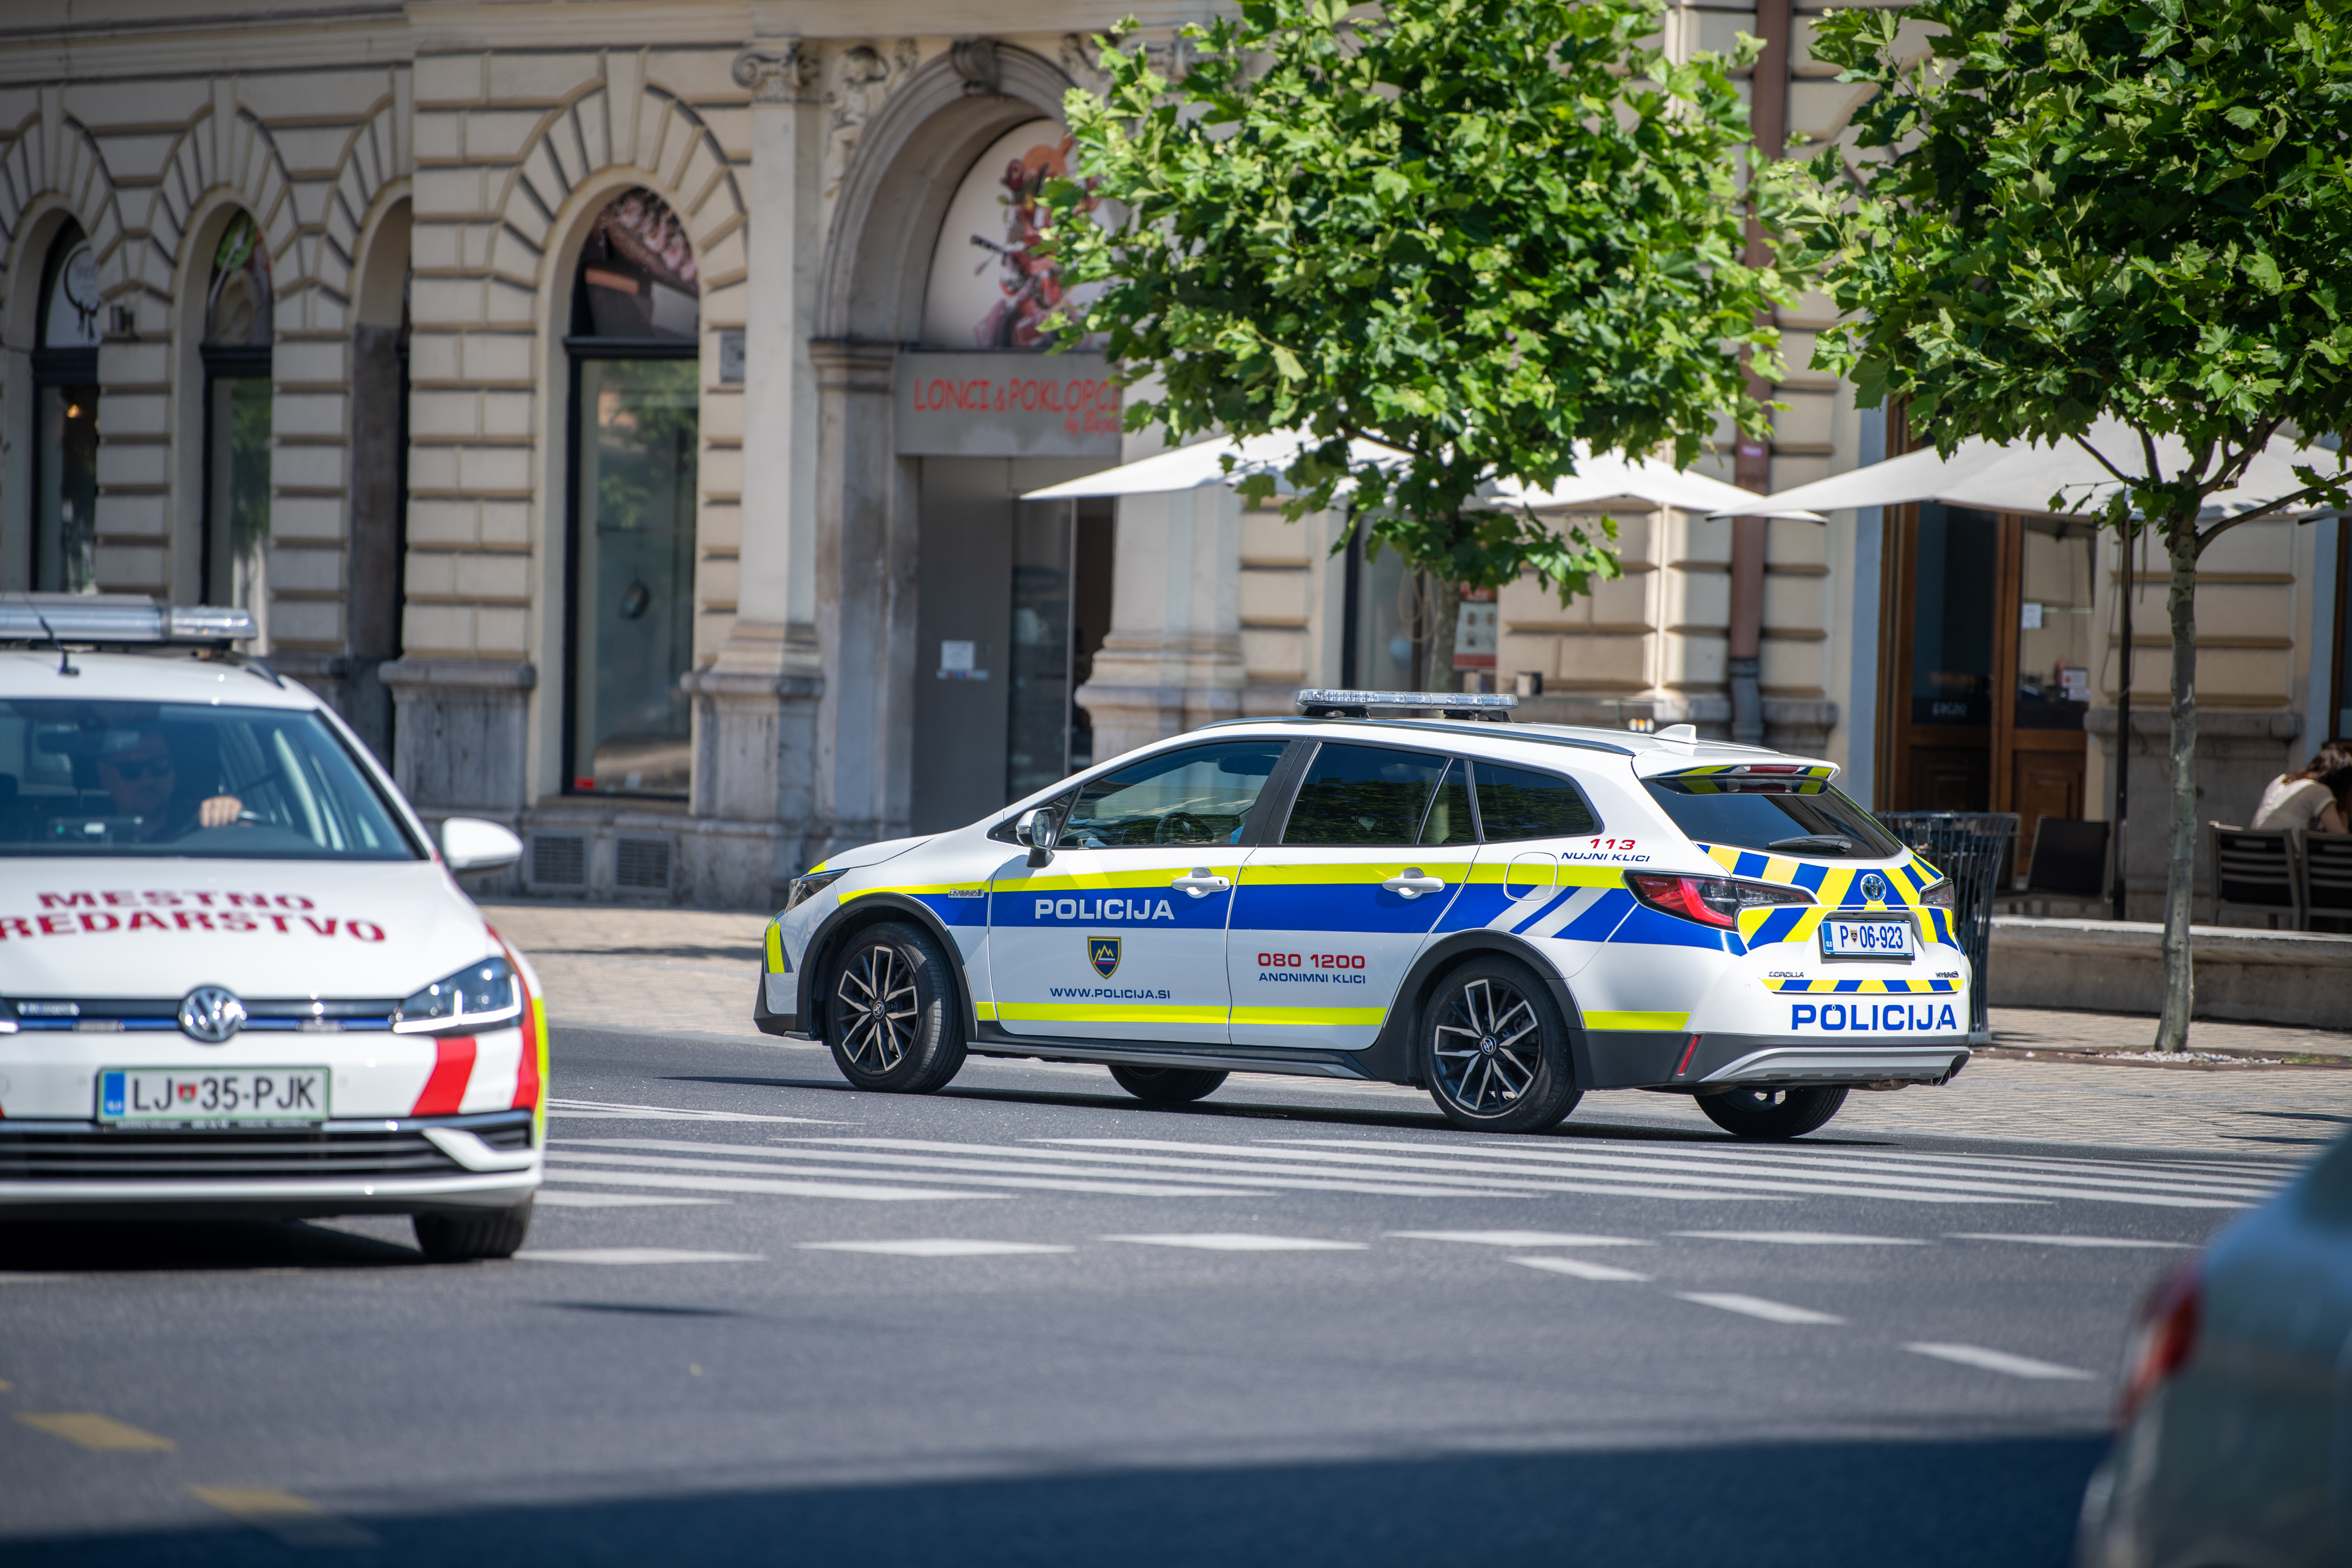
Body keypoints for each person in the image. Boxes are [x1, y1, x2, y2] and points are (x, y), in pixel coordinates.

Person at [95, 726, 243, 839]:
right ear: (104, 775)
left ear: (174, 771)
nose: (148, 778)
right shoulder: (82, 839)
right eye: (132, 769)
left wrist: (234, 817)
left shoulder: (205, 827)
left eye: (160, 764)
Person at [2251, 738, 2352, 834]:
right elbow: (2340, 840)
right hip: (2286, 850)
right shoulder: (2320, 791)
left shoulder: (2282, 780)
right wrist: (2343, 819)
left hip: (2256, 848)